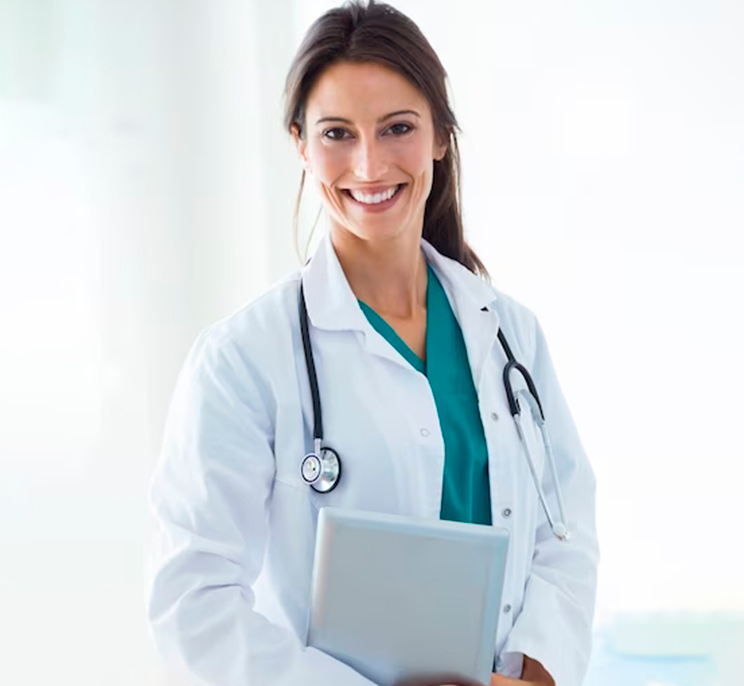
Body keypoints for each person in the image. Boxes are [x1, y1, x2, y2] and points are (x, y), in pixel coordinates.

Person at [146, 2, 599, 685]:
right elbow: (193, 601)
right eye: (336, 133)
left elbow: (565, 533)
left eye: (398, 128)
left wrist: (534, 675)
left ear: (441, 137)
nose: (368, 164)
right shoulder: (243, 360)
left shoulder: (508, 333)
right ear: (299, 143)